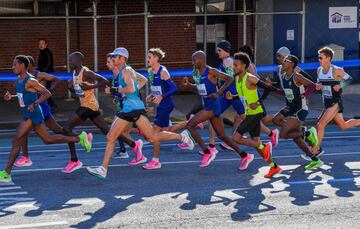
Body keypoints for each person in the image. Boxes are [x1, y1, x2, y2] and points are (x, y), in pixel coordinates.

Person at [87, 47, 195, 179]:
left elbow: (131, 88)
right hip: (131, 108)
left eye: (115, 57)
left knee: (114, 136)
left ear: (122, 58)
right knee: (150, 137)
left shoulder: (126, 70)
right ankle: (183, 137)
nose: (113, 59)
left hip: (132, 109)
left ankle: (103, 169)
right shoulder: (126, 70)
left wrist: (116, 91)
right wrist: (132, 94)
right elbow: (140, 82)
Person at [0, 55, 92, 182]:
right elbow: (24, 96)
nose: (12, 67)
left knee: (17, 139)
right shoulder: (18, 80)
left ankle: (6, 173)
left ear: (22, 65)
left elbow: (47, 93)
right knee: (47, 139)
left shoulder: (31, 80)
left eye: (15, 64)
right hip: (28, 113)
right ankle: (80, 138)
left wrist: (35, 103)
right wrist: (12, 97)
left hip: (33, 114)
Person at [62, 51, 141, 173]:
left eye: (71, 61)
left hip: (89, 105)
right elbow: (79, 91)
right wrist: (71, 88)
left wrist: (90, 87)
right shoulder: (73, 73)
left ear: (78, 61)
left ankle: (74, 160)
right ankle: (134, 145)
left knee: (67, 128)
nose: (69, 63)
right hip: (87, 105)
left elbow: (104, 81)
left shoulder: (86, 72)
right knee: (107, 131)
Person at [183, 51, 254, 169]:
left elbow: (230, 78)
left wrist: (219, 92)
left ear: (201, 60)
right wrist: (189, 85)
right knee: (222, 136)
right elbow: (201, 89)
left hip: (213, 106)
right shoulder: (197, 73)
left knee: (190, 125)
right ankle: (245, 155)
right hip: (207, 105)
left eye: (194, 60)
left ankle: (207, 152)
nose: (193, 62)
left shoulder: (211, 71)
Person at [13, 56, 79, 171]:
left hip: (41, 107)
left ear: (30, 65)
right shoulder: (24, 78)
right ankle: (25, 157)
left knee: (57, 132)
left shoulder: (40, 75)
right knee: (23, 133)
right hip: (32, 109)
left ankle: (75, 153)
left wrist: (50, 90)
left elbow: (56, 79)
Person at [231, 52, 280, 178]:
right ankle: (274, 166)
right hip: (249, 114)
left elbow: (268, 88)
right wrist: (234, 96)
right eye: (233, 65)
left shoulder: (250, 78)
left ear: (244, 66)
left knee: (236, 138)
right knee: (255, 141)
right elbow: (245, 95)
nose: (234, 67)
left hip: (256, 113)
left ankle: (265, 146)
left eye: (236, 65)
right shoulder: (237, 79)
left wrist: (258, 102)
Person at [271, 54, 323, 170]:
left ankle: (308, 133)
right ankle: (315, 160)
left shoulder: (297, 76)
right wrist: (272, 88)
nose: (283, 62)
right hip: (290, 107)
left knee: (284, 134)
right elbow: (285, 92)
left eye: (285, 61)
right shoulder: (284, 76)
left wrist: (303, 95)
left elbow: (312, 86)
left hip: (300, 108)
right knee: (276, 121)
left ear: (292, 64)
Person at [313, 46, 359, 154]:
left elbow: (350, 79)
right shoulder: (319, 70)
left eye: (321, 57)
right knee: (343, 125)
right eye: (318, 57)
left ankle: (315, 151)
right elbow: (320, 83)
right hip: (327, 102)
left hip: (335, 102)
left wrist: (340, 85)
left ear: (328, 58)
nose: (319, 59)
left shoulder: (336, 70)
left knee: (320, 125)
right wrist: (318, 86)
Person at [142, 48, 178, 169]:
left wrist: (162, 96)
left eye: (150, 57)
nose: (148, 59)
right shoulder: (150, 71)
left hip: (166, 104)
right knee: (168, 129)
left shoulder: (163, 72)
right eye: (147, 57)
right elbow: (157, 88)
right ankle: (188, 127)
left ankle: (155, 160)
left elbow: (174, 88)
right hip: (160, 104)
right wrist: (152, 96)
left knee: (155, 132)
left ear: (156, 58)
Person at [37, 38, 57, 112]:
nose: (41, 45)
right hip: (43, 74)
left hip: (48, 75)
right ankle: (51, 106)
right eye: (39, 44)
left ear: (46, 44)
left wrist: (43, 73)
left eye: (42, 43)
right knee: (44, 91)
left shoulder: (47, 52)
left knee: (45, 91)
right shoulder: (41, 52)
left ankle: (52, 106)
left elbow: (49, 64)